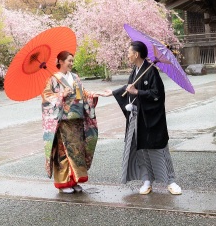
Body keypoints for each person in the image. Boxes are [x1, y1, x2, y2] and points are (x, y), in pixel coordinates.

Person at [107, 40, 182, 195]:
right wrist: (114, 93)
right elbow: (129, 89)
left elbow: (157, 94)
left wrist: (137, 92)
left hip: (151, 118)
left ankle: (170, 181)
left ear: (136, 54)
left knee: (159, 149)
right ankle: (146, 180)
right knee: (141, 150)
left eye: (129, 52)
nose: (127, 55)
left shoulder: (151, 71)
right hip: (137, 118)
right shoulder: (135, 71)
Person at [41, 50, 101, 194]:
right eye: (69, 60)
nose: (71, 63)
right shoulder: (53, 79)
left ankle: (75, 180)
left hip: (77, 120)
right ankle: (64, 183)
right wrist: (62, 94)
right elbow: (46, 97)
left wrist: (93, 95)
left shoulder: (75, 77)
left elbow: (83, 93)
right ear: (61, 61)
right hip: (63, 121)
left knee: (77, 151)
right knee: (64, 152)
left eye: (72, 61)